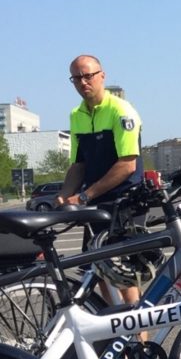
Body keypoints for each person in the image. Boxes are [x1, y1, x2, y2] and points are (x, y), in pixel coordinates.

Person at [57, 54, 145, 308]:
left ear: (101, 75)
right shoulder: (77, 115)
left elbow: (127, 164)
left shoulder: (121, 110)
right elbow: (79, 164)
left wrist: (85, 196)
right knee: (98, 273)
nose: (83, 82)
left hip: (125, 202)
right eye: (77, 78)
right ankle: (115, 330)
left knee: (124, 277)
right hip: (97, 204)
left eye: (88, 76)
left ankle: (138, 339)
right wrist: (64, 194)